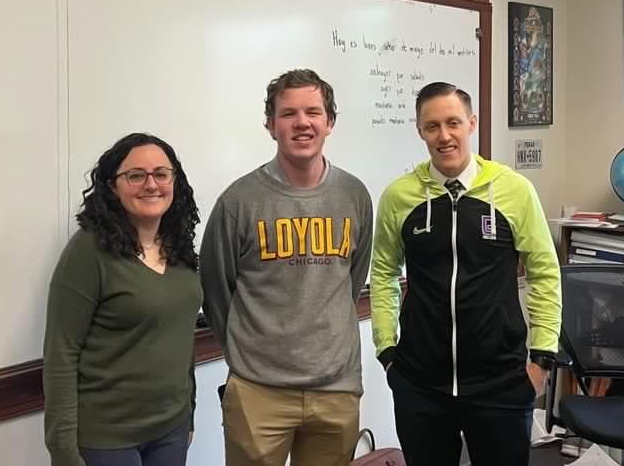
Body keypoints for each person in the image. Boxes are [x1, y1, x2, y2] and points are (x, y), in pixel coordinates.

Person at [370, 82, 561, 466]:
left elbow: (545, 272)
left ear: (471, 124)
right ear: (420, 130)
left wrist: (542, 359)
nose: (444, 136)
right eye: (432, 126)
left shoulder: (513, 190)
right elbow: (383, 272)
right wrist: (387, 351)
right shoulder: (399, 196)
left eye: (453, 123)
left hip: (501, 383)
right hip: (421, 384)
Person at [200, 69, 373, 466]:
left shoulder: (355, 195)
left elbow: (351, 280)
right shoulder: (239, 201)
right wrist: (248, 356)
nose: (302, 123)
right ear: (270, 125)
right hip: (259, 392)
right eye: (288, 113)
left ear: (329, 122)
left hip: (337, 390)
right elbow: (215, 290)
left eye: (313, 111)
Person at [43, 133, 202, 466]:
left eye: (161, 173)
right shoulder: (88, 251)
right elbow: (61, 352)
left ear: (175, 181)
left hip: (170, 429)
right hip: (106, 437)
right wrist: (62, 448)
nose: (151, 184)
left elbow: (181, 338)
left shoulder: (180, 248)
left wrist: (188, 413)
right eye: (135, 175)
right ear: (113, 186)